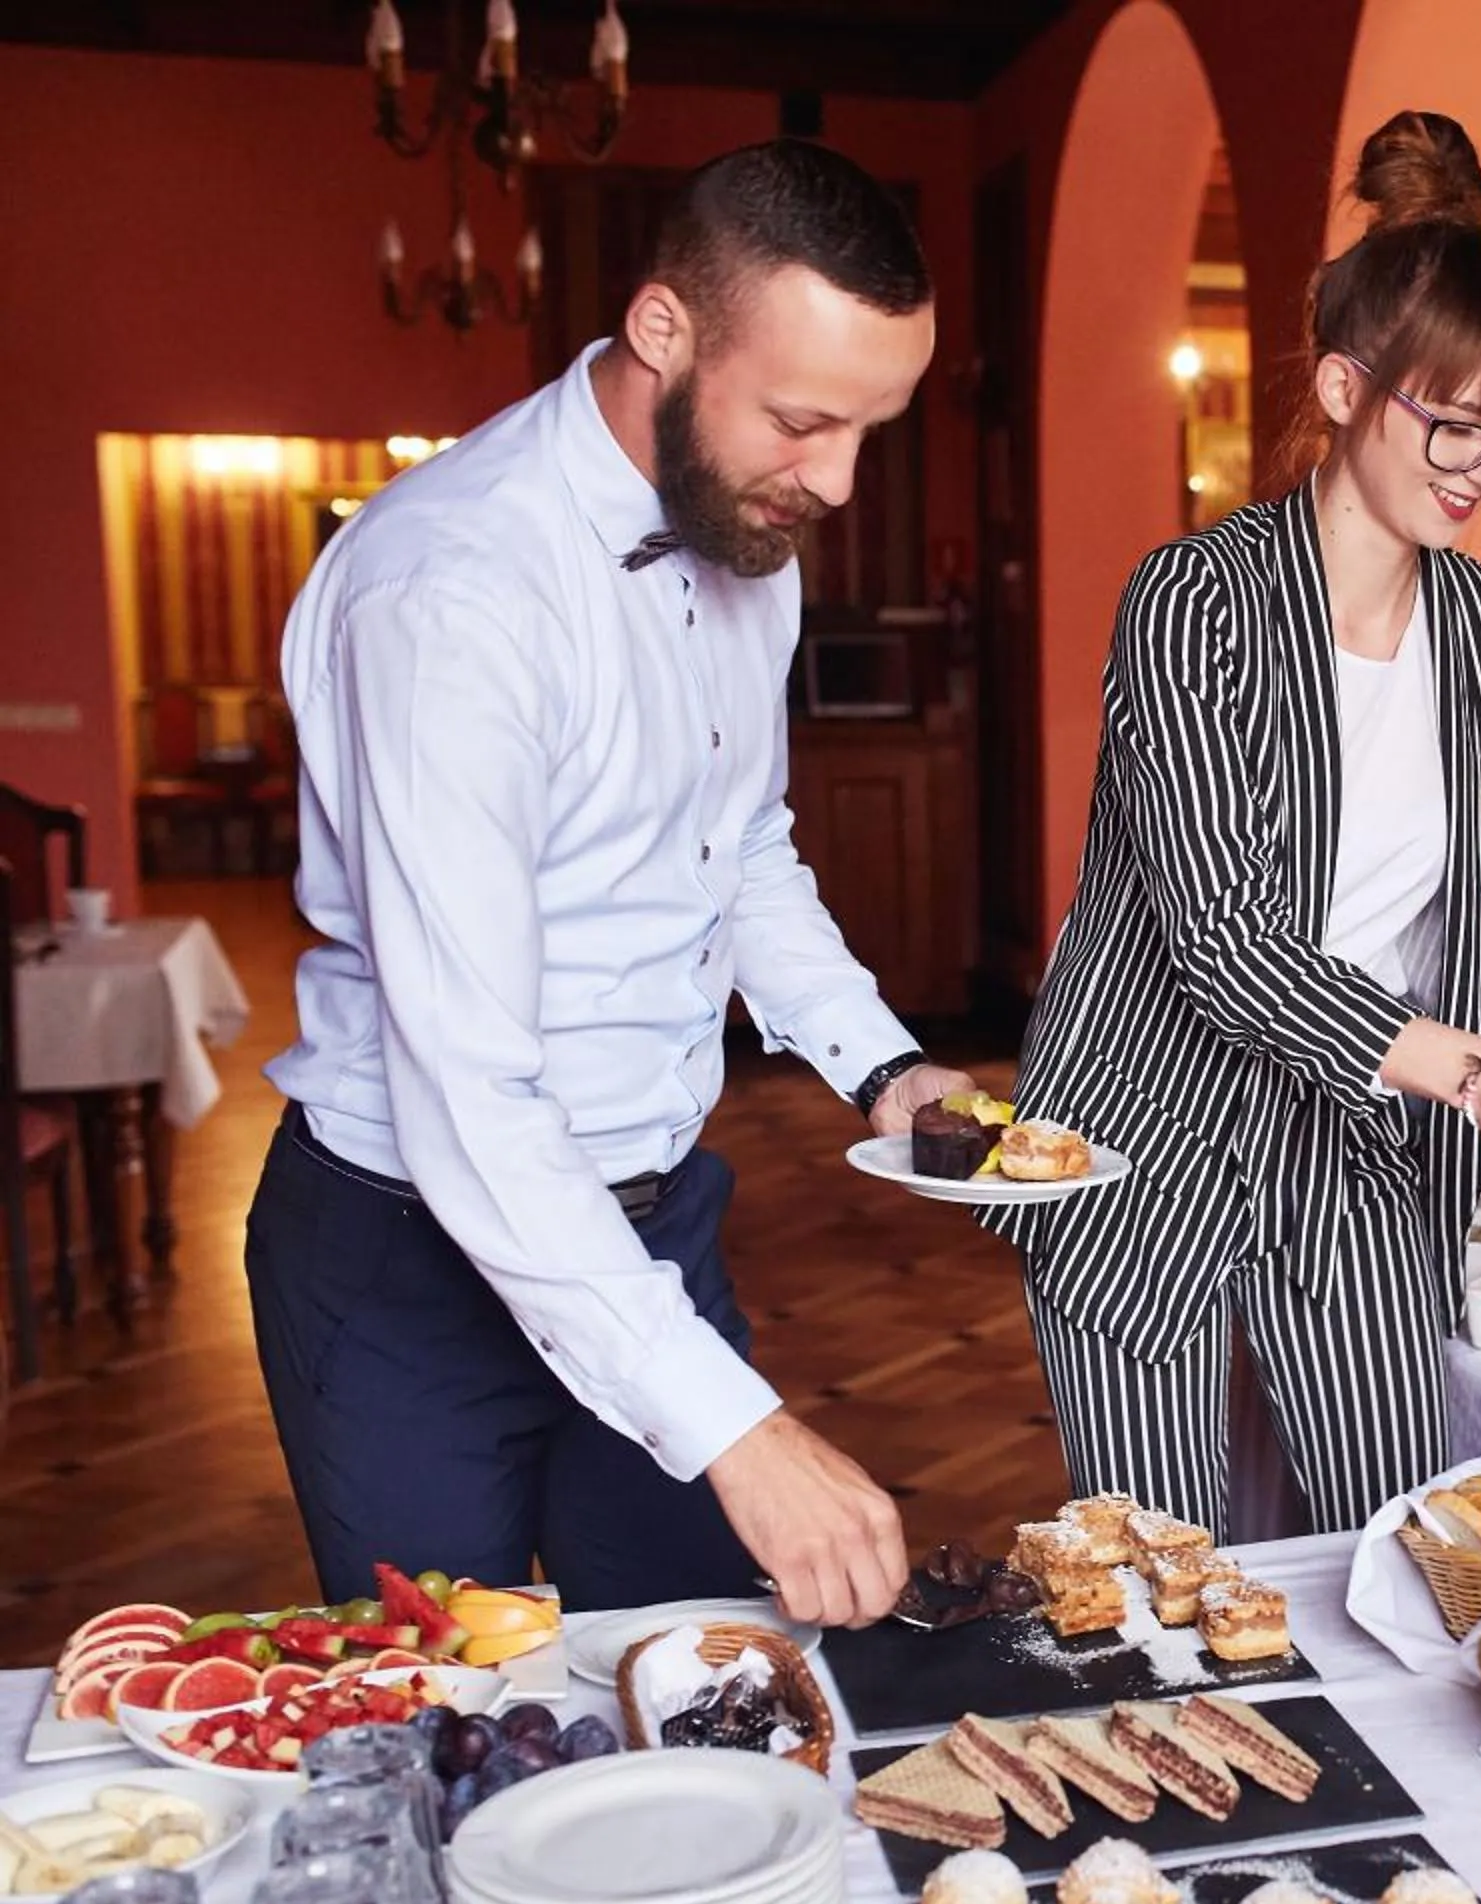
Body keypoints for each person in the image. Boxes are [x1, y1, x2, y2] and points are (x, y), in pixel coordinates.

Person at [249, 140, 978, 1628]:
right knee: (460, 1708)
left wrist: (883, 1067)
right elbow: (465, 1087)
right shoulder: (451, 592)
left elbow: (741, 843)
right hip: (406, 1259)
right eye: (803, 421)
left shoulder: (749, 530)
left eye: (870, 430)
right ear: (663, 329)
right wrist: (739, 1430)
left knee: (703, 1680)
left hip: (651, 1225)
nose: (838, 481)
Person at [986, 111, 1481, 1537]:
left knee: (1406, 1537)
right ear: (1349, 388)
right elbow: (1226, 944)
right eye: (1455, 424)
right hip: (1147, 1135)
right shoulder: (1196, 601)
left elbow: (1432, 913)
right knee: (1155, 1574)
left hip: (1349, 1132)